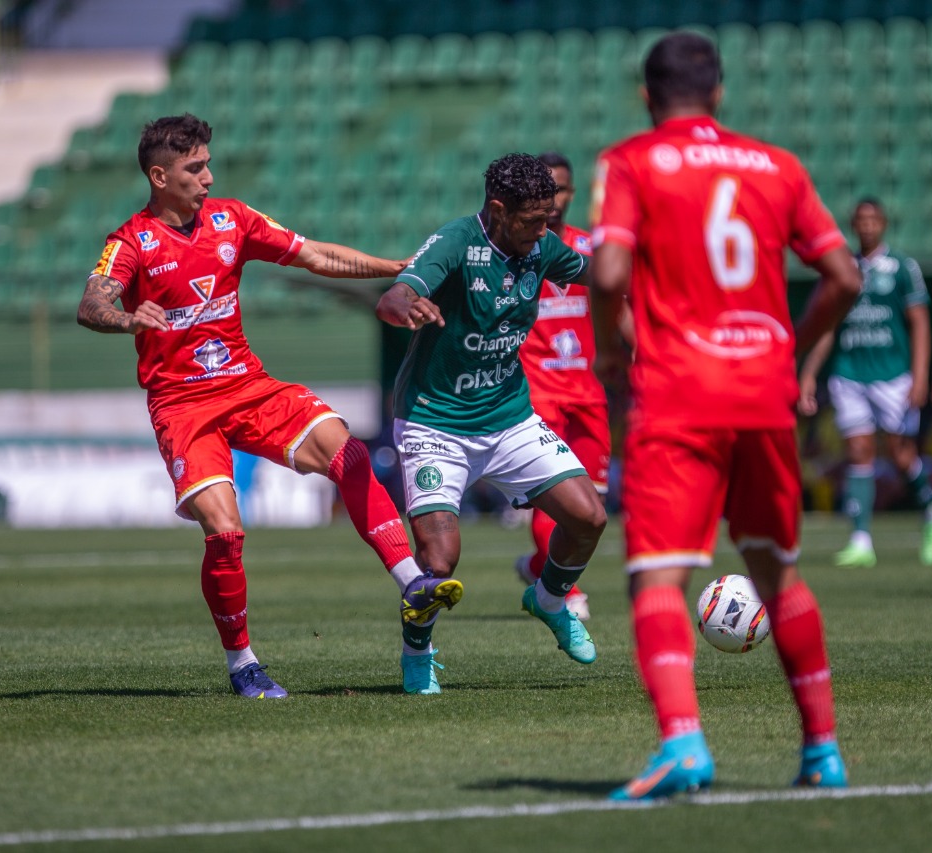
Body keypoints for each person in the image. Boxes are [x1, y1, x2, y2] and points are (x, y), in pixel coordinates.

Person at [75, 114, 454, 700]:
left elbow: (317, 256)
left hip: (249, 385)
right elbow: (92, 302)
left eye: (207, 163)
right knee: (225, 533)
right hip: (182, 405)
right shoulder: (131, 243)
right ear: (159, 175)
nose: (207, 176)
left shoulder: (233, 218)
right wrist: (128, 316)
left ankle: (410, 583)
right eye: (194, 168)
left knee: (348, 454)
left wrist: (399, 270)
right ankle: (243, 664)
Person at [591, 32, 863, 800]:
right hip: (763, 394)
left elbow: (608, 269)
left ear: (648, 98)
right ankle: (823, 751)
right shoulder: (778, 165)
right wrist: (790, 345)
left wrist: (613, 352)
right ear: (718, 93)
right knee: (777, 571)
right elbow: (843, 275)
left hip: (680, 391)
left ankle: (683, 742)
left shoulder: (632, 161)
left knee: (657, 575)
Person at [375, 152, 607, 695]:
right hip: (434, 424)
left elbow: (602, 274)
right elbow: (393, 297)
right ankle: (417, 653)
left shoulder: (543, 245)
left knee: (589, 518)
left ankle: (548, 600)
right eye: (532, 221)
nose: (543, 231)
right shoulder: (458, 243)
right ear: (498, 210)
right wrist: (406, 307)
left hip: (509, 419)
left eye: (549, 219)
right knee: (439, 561)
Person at [798, 198, 932, 568]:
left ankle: (931, 510)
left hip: (893, 375)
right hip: (850, 374)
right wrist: (810, 373)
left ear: (883, 223)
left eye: (872, 220)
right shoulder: (843, 268)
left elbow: (920, 323)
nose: (866, 226)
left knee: (899, 453)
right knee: (859, 451)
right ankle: (861, 539)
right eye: (860, 220)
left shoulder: (901, 268)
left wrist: (921, 375)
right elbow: (829, 328)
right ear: (852, 224)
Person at [510, 151, 608, 621]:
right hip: (537, 391)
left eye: (562, 189)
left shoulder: (591, 248)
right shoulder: (515, 250)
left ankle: (536, 566)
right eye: (546, 190)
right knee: (554, 492)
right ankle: (565, 593)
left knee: (591, 501)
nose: (554, 199)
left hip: (591, 392)